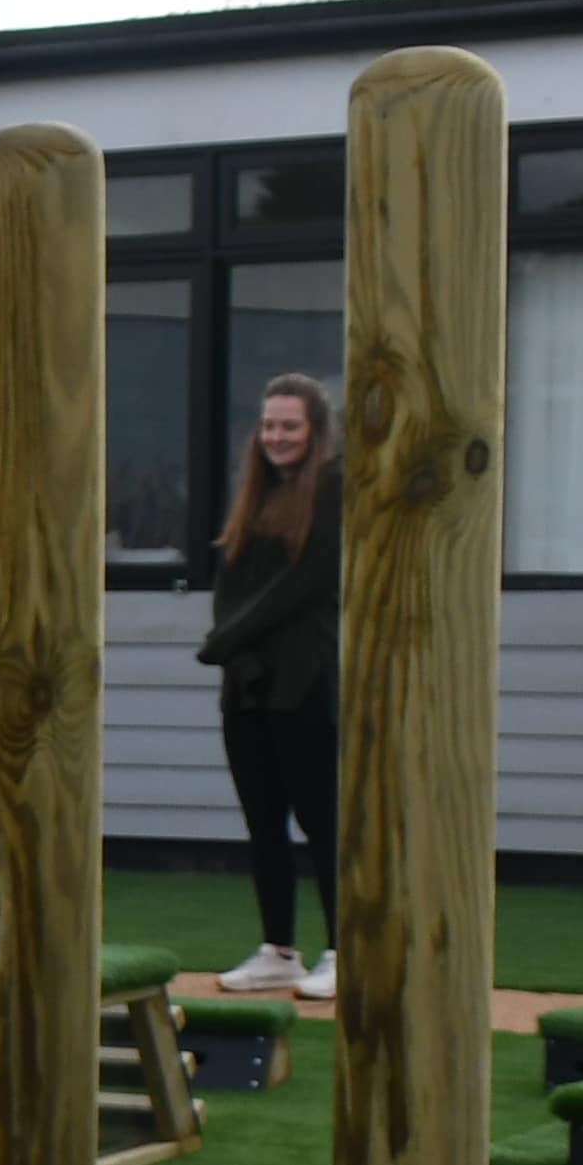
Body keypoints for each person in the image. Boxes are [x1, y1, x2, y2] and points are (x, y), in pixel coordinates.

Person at [201, 371, 342, 1001]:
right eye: (268, 426)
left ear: (314, 432)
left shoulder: (333, 488)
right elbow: (231, 589)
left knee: (322, 819)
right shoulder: (254, 496)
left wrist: (228, 640)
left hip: (303, 679)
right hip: (248, 682)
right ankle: (279, 950)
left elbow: (308, 582)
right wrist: (231, 650)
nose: (276, 437)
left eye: (289, 426)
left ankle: (347, 947)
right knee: (263, 821)